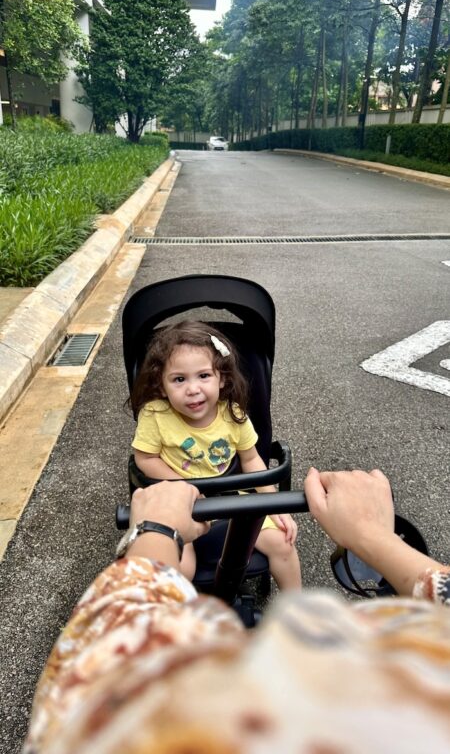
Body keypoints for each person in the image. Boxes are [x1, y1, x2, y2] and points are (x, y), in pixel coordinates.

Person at [24, 469, 450, 754]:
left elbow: (91, 694)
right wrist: (375, 538)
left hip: (202, 508)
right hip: (198, 502)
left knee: (275, 543)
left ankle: (258, 599)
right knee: (188, 564)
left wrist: (155, 532)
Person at [129, 320, 302, 589]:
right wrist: (184, 487)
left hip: (232, 500)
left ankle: (296, 611)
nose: (193, 388)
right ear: (162, 387)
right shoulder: (156, 415)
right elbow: (145, 459)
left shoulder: (233, 415)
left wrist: (274, 504)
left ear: (221, 378)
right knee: (182, 569)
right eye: (179, 379)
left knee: (283, 543)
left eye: (203, 376)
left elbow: (251, 460)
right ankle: (178, 618)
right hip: (183, 504)